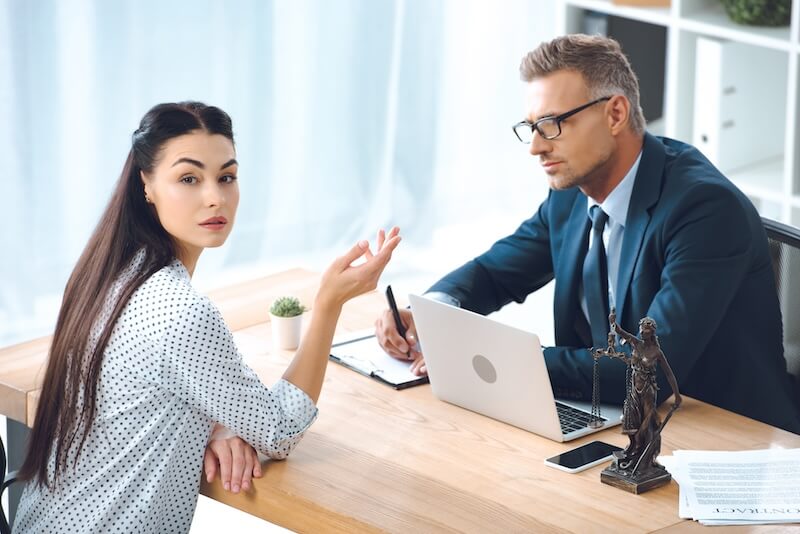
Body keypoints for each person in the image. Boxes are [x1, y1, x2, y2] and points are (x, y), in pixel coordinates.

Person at [375, 34, 800, 435]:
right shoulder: (572, 194)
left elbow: (646, 372)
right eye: (530, 127)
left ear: (615, 114)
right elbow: (494, 274)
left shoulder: (704, 209)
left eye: (552, 124)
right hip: (618, 421)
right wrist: (431, 314)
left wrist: (503, 360)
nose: (536, 148)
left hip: (722, 437)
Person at [13, 102, 401, 533]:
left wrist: (217, 419)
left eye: (226, 177)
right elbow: (279, 431)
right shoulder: (181, 311)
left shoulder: (105, 276)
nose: (215, 196)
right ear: (147, 185)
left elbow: (152, 389)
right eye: (189, 179)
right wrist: (329, 303)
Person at [594, 314, 682, 474]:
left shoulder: (656, 352)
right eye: (641, 330)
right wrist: (613, 321)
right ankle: (633, 449)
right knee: (631, 421)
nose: (642, 333)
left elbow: (669, 374)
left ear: (652, 333)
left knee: (646, 425)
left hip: (648, 391)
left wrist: (677, 395)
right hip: (634, 389)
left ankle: (645, 458)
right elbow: (621, 332)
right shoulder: (636, 343)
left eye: (645, 331)